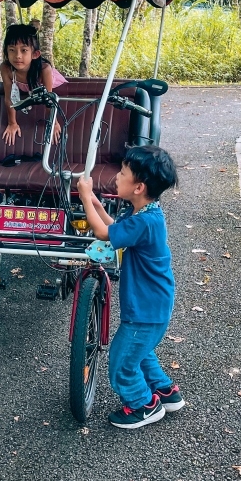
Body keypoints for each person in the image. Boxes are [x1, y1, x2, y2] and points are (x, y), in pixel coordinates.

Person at [76, 145, 183, 430]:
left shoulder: (144, 221)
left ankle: (143, 405)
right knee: (141, 352)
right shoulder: (146, 214)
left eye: (122, 173)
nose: (116, 176)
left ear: (138, 187)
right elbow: (115, 232)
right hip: (153, 305)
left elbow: (102, 233)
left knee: (122, 361)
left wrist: (86, 197)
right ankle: (166, 392)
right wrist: (98, 206)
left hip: (145, 310)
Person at [0, 22, 66, 145]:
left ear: (35, 54)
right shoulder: (6, 68)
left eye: (24, 50)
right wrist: (12, 123)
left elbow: (49, 100)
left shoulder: (44, 70)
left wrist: (54, 123)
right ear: (6, 52)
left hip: (45, 87)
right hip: (25, 88)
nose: (18, 56)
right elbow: (8, 98)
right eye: (12, 50)